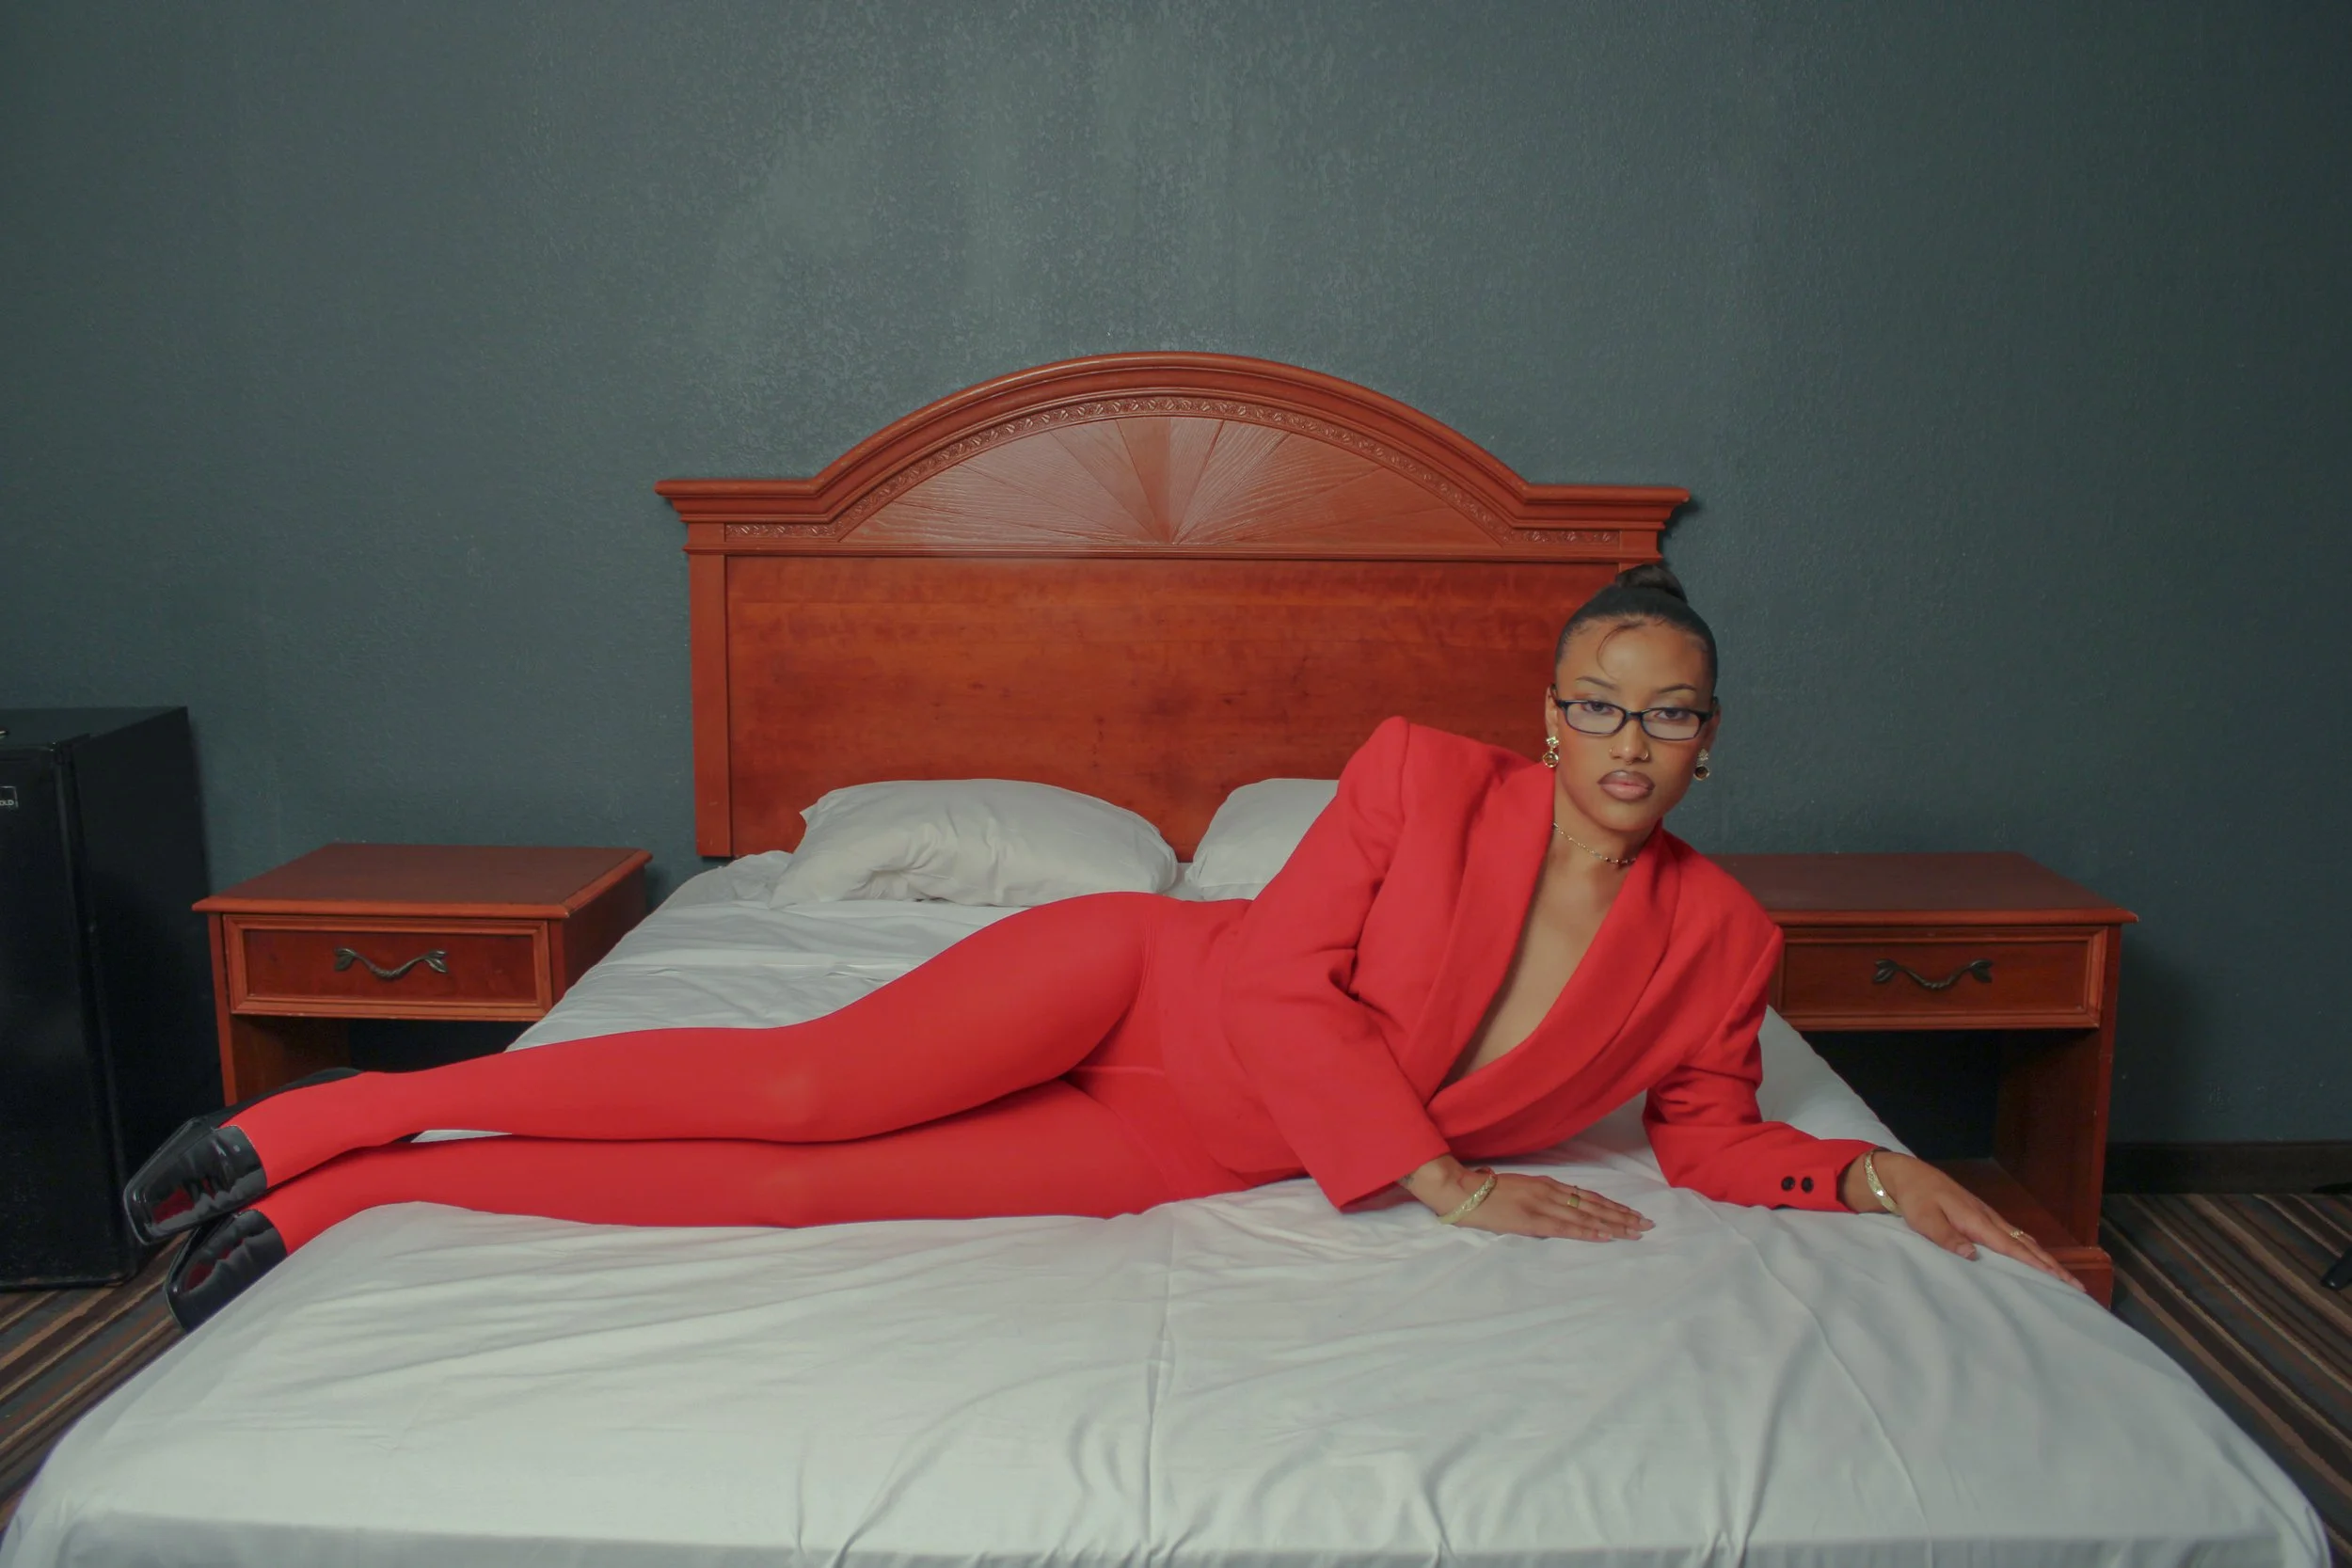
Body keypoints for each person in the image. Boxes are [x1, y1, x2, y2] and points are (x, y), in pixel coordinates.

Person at [127, 564, 2082, 1328]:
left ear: (1708, 734)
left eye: (1666, 715)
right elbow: (1280, 972)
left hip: (1188, 1144)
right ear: (1544, 706)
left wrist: (1871, 1165)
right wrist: (1437, 1176)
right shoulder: (1419, 775)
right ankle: (346, 1115)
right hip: (1138, 983)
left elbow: (1710, 1127)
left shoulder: (1717, 927)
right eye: (1595, 704)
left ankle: (341, 1208)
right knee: (799, 1085)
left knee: (796, 1200)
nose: (1624, 746)